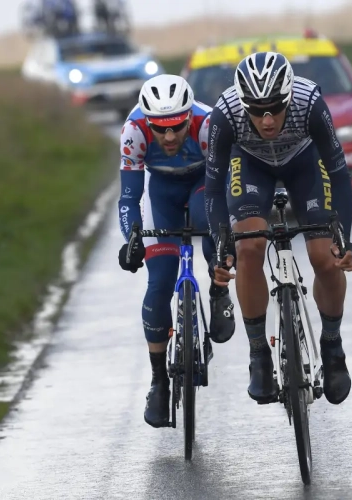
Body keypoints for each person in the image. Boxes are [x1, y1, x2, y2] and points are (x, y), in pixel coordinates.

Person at [205, 52, 352, 406]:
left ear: (289, 97)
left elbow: (338, 173)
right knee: (249, 248)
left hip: (303, 163)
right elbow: (213, 187)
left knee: (326, 256)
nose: (268, 119)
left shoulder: (310, 103)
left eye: (276, 107)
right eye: (257, 111)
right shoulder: (225, 114)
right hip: (251, 164)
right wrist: (221, 243)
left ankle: (332, 345)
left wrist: (345, 238)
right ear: (244, 105)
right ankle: (258, 353)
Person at [118, 74, 236, 428]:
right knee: (159, 283)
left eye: (176, 128)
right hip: (162, 193)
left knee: (210, 226)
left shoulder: (208, 124)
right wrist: (132, 239)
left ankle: (219, 291)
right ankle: (158, 381)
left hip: (204, 185)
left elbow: (223, 189)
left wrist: (224, 243)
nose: (169, 138)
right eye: (160, 129)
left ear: (189, 118)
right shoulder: (134, 130)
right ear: (147, 122)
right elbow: (129, 197)